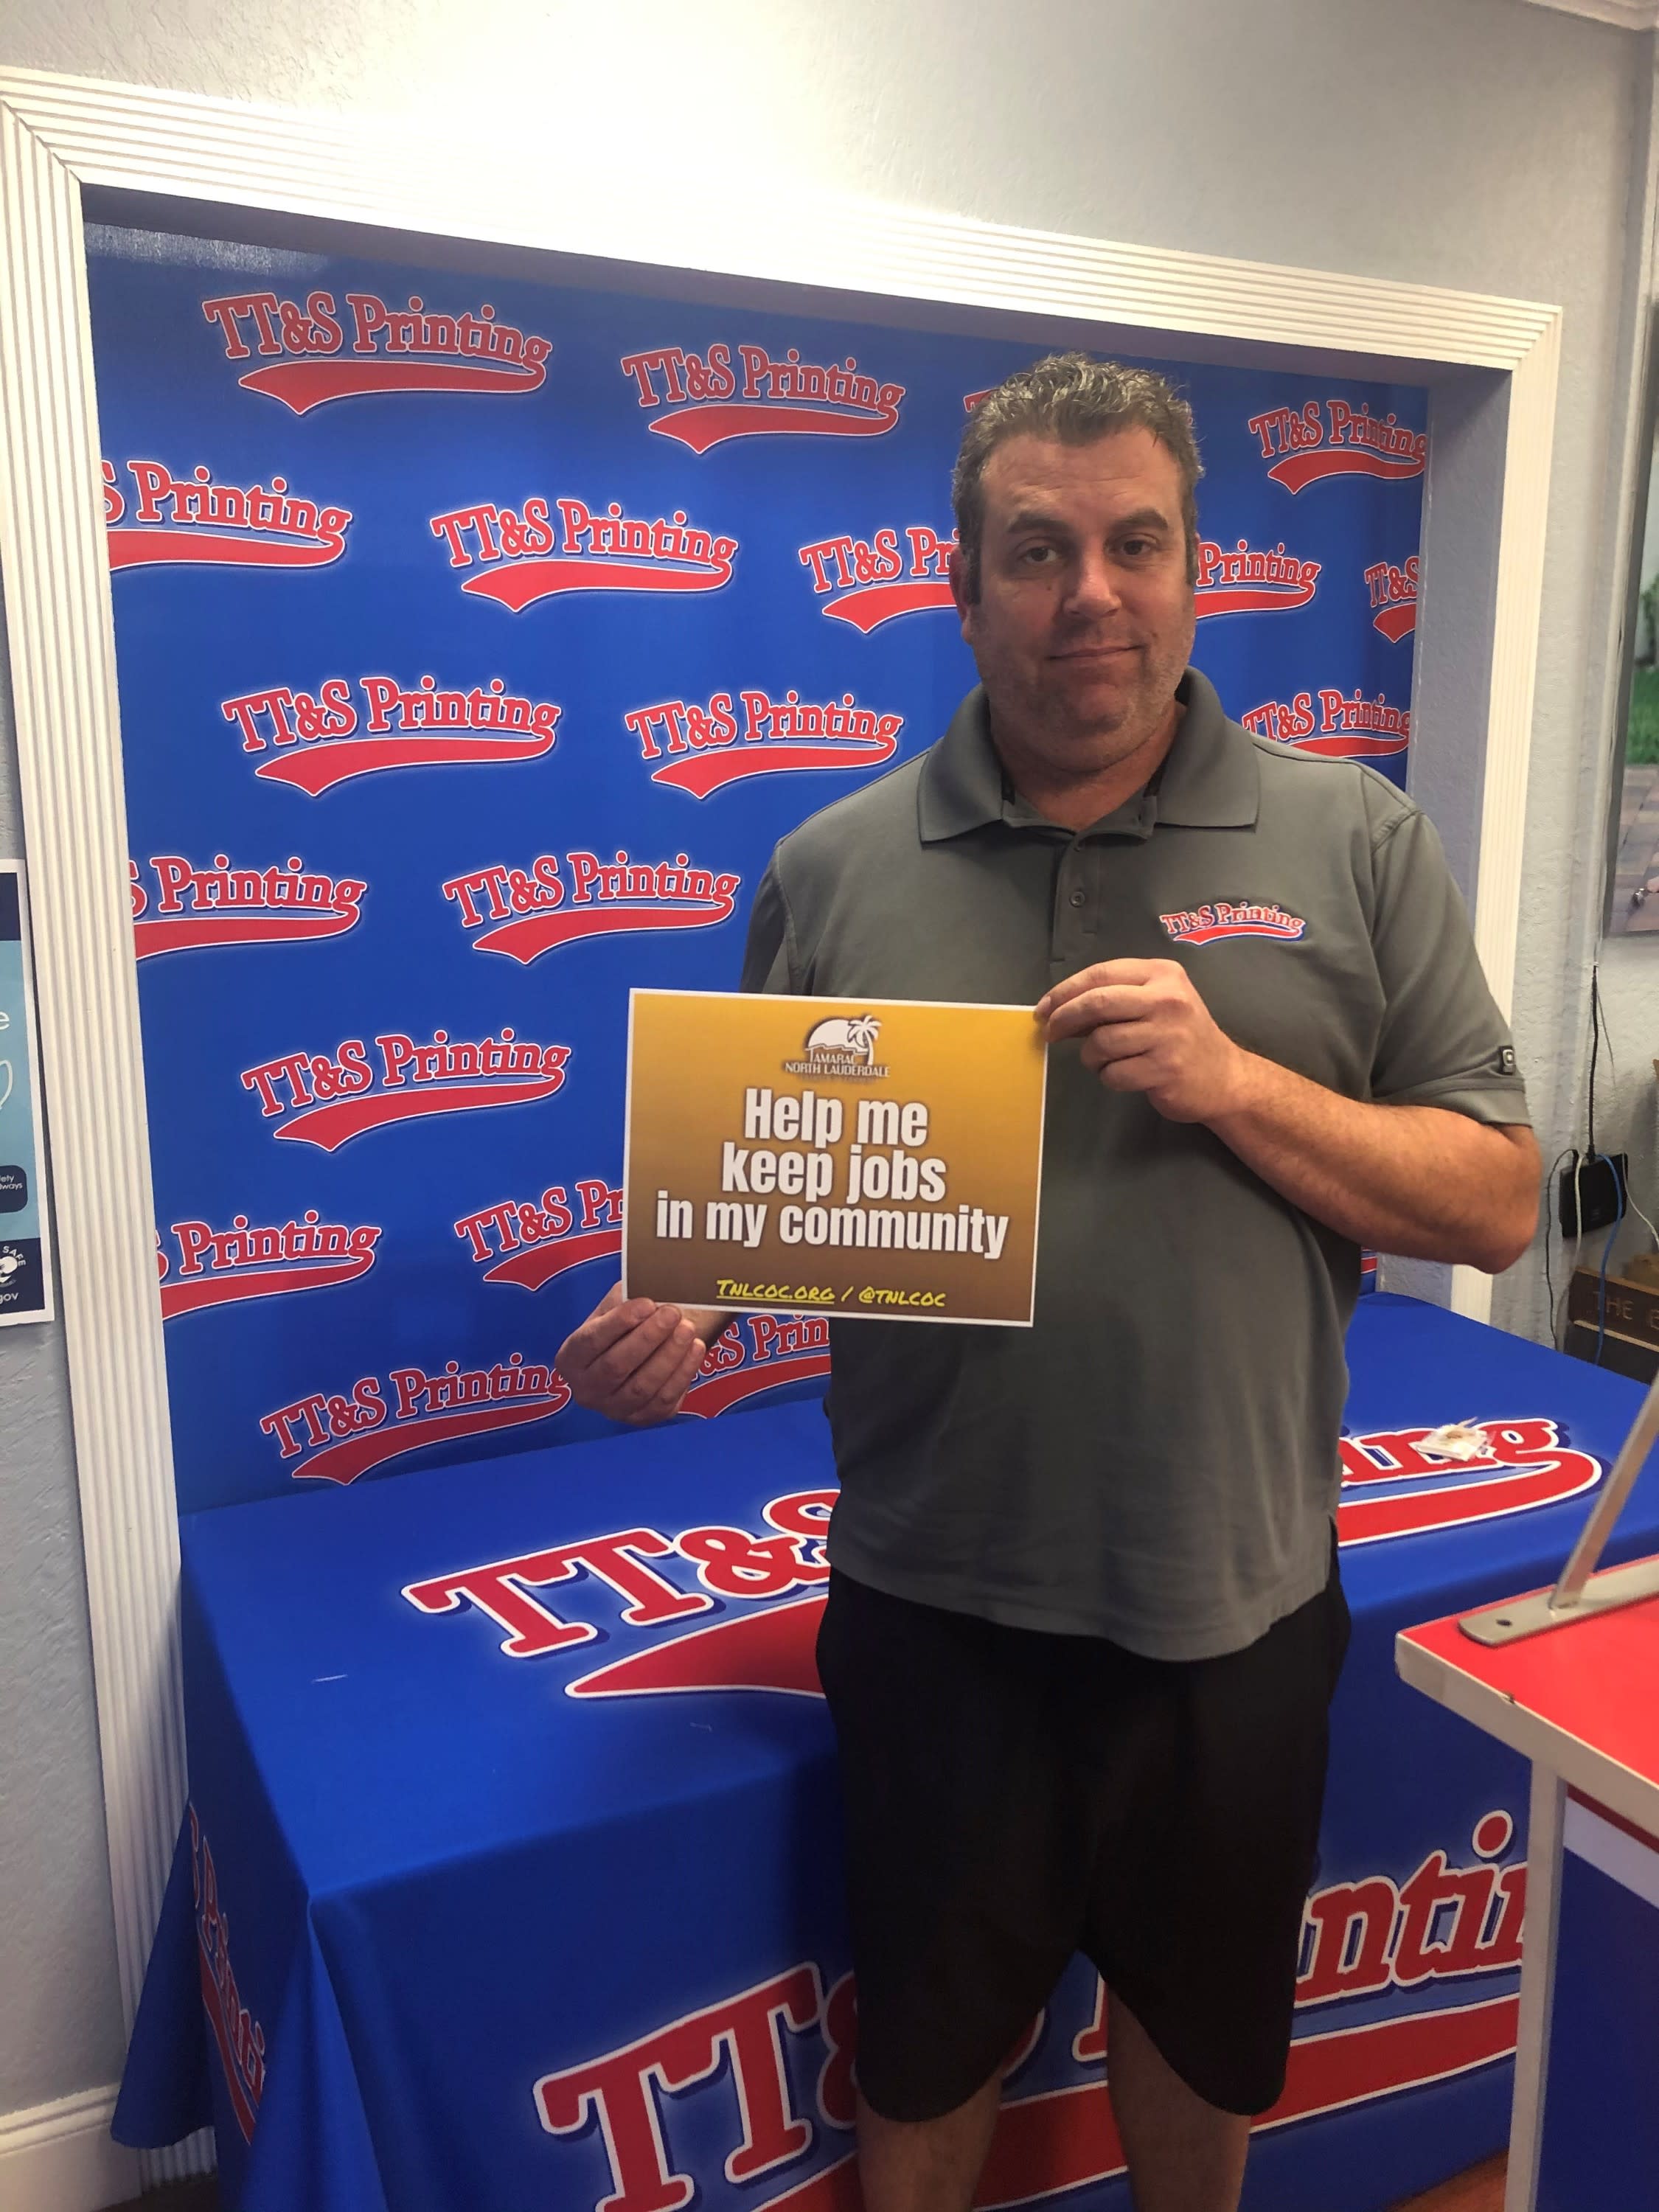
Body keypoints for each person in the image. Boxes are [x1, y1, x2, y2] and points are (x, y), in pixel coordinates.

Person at [557, 353, 1540, 2212]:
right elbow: (773, 1186)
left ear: (1196, 570)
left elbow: (1495, 1201)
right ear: (963, 584)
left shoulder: (1357, 838)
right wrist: (685, 1306)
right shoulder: (832, 866)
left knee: (1203, 2036)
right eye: (1036, 550)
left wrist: (1236, 1079)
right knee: (929, 2052)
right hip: (937, 1601)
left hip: (1233, 1597)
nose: (1090, 592)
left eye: (1133, 542)